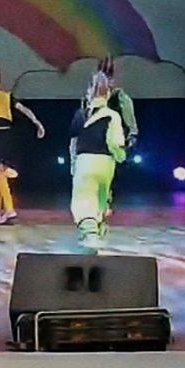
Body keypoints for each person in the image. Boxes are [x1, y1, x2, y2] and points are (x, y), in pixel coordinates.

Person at [0, 66, 45, 225]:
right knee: (0, 172)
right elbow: (24, 110)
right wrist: (37, 123)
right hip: (7, 135)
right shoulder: (7, 96)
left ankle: (9, 210)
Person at [69, 72, 127, 249]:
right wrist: (120, 156)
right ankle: (98, 229)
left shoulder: (81, 114)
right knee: (101, 197)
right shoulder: (112, 116)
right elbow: (115, 142)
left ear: (89, 92)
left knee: (84, 199)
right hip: (105, 163)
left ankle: (90, 234)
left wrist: (73, 165)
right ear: (108, 93)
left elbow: (73, 143)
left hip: (84, 161)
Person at [92, 57, 137, 219]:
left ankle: (105, 203)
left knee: (108, 173)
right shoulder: (92, 98)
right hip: (96, 138)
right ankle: (101, 203)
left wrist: (132, 134)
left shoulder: (119, 96)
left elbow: (129, 116)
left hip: (112, 138)